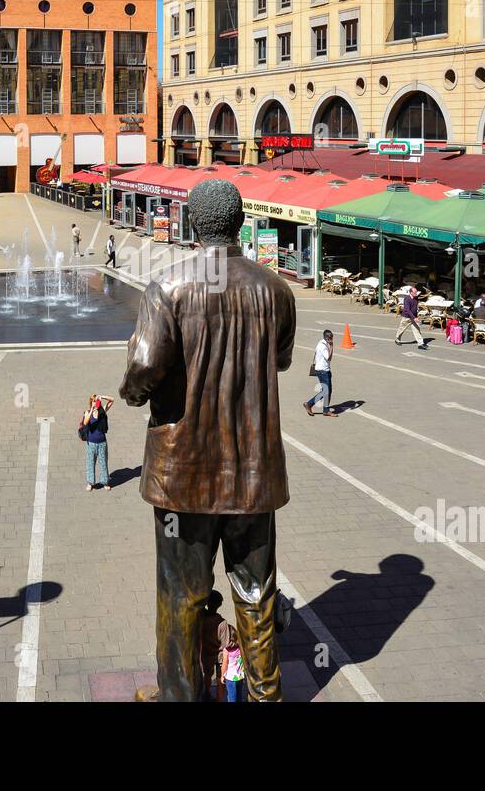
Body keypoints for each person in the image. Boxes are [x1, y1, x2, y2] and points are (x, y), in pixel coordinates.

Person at [120, 180, 295, 703]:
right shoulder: (275, 290)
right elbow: (281, 361)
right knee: (257, 593)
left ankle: (180, 695)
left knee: (181, 595)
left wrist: (132, 392)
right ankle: (267, 696)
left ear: (195, 223)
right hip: (254, 476)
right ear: (240, 222)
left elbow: (144, 367)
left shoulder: (168, 288)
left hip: (185, 476)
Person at [80, 394, 114, 491]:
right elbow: (85, 422)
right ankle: (90, 483)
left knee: (103, 462)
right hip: (91, 443)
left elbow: (112, 400)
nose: (96, 402)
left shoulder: (102, 411)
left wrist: (102, 396)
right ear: (91, 402)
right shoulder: (87, 412)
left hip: (102, 442)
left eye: (97, 401)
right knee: (90, 463)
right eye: (94, 401)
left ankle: (105, 482)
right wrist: (92, 410)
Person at [199, 591, 226, 701]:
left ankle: (207, 692)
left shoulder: (202, 618)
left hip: (206, 653)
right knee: (220, 678)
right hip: (219, 655)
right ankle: (219, 699)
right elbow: (225, 643)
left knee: (207, 674)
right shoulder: (221, 622)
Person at [304, 329, 336, 417]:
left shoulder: (322, 343)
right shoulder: (323, 346)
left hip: (324, 370)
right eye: (330, 338)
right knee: (326, 391)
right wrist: (332, 347)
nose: (332, 339)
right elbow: (328, 358)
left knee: (327, 391)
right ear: (326, 338)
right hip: (322, 371)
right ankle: (309, 404)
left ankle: (325, 410)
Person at [218, 622, 246, 703]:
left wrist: (222, 676)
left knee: (231, 697)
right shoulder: (240, 647)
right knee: (239, 695)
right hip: (240, 676)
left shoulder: (226, 650)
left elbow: (225, 664)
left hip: (230, 678)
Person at [394, 286, 427, 350]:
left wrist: (416, 316)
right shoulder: (407, 298)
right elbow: (407, 309)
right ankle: (397, 339)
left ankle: (420, 344)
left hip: (414, 317)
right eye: (415, 292)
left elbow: (416, 308)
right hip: (406, 317)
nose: (416, 293)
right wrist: (413, 317)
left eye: (416, 292)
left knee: (417, 329)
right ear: (411, 292)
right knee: (401, 329)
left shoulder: (416, 298)